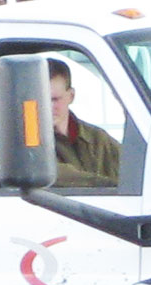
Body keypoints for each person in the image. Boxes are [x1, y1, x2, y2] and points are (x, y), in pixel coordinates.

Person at [47, 57, 121, 188]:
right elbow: (52, 174)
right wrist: (112, 186)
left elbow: (139, 170)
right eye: (40, 99)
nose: (47, 106)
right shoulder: (27, 145)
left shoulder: (98, 139)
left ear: (71, 96)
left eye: (55, 99)